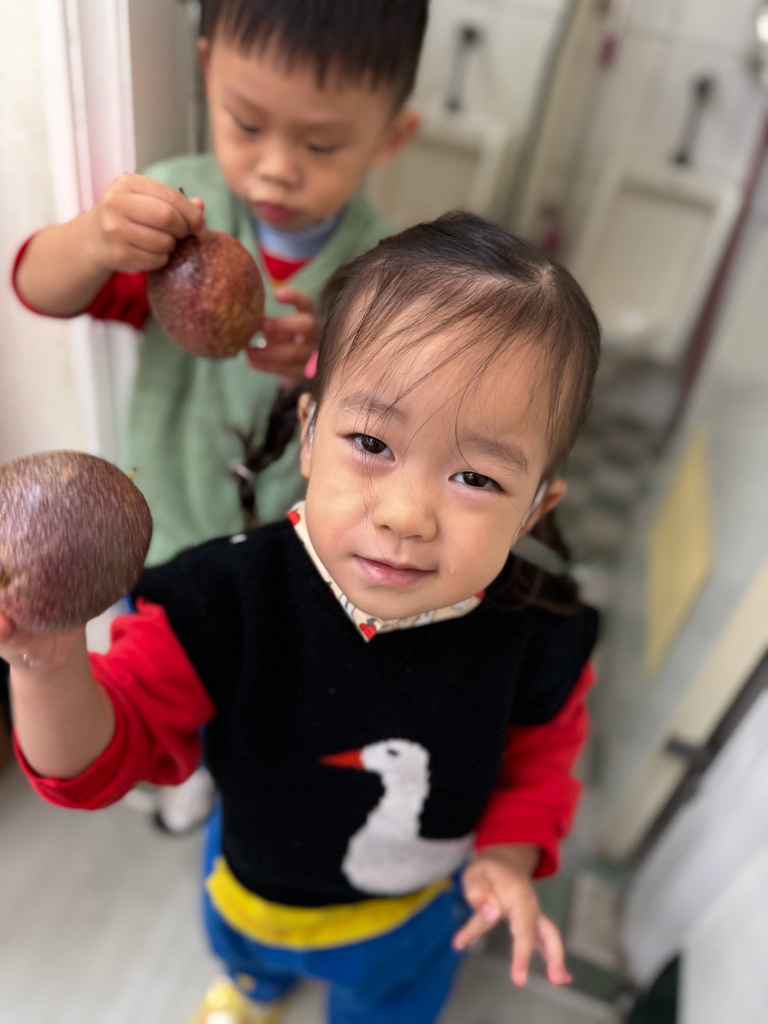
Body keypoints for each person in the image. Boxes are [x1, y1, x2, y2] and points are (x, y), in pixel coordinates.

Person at [2, 214, 601, 1024]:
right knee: (248, 961)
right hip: (254, 885)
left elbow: (540, 768)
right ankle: (253, 991)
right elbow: (95, 762)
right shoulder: (221, 600)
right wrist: (45, 664)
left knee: (387, 1005)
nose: (405, 514)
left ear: (534, 509)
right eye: (372, 443)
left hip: (413, 914)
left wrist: (508, 856)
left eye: (475, 478)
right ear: (311, 435)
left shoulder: (540, 635)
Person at [12, 0, 424, 567]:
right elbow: (36, 287)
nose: (276, 168)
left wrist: (319, 367)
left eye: (320, 145)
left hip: (291, 558)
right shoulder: (171, 213)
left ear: (390, 137)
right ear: (208, 73)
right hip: (161, 537)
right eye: (248, 124)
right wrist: (93, 241)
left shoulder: (388, 273)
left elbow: (397, 427)